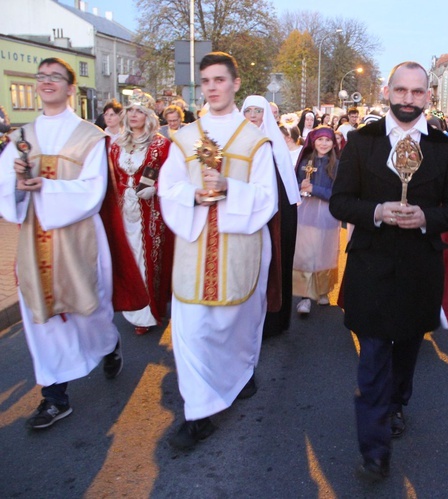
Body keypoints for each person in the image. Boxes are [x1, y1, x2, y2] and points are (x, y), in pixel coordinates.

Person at [329, 61, 448, 481]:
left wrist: (425, 217)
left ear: (428, 96)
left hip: (419, 267)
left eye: (417, 92)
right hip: (371, 263)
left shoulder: (444, 148)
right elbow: (340, 201)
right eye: (401, 91)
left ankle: (396, 403)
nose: (409, 99)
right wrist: (376, 210)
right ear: (388, 91)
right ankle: (374, 451)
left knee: (406, 348)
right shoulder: (361, 141)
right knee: (373, 353)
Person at [158, 52, 279, 450]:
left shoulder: (254, 140)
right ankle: (199, 413)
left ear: (236, 83)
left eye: (219, 80)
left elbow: (267, 198)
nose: (212, 87)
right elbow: (167, 188)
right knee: (191, 329)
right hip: (194, 244)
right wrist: (193, 194)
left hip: (239, 246)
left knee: (236, 327)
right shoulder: (185, 138)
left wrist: (230, 188)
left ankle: (241, 373)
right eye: (206, 80)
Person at [0, 57, 123, 429]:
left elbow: (93, 190)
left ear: (71, 88)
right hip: (34, 242)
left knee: (89, 313)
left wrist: (47, 186)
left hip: (78, 240)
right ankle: (54, 397)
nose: (46, 82)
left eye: (56, 77)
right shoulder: (21, 138)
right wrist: (19, 184)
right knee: (42, 319)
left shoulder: (89, 136)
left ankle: (109, 342)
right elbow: (6, 192)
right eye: (41, 77)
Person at [109, 92, 173, 335]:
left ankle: (148, 311)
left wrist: (156, 189)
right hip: (123, 210)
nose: (134, 115)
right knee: (127, 257)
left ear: (148, 116)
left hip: (150, 213)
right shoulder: (116, 144)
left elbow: (172, 178)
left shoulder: (160, 144)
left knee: (147, 258)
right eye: (131, 110)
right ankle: (131, 304)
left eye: (139, 111)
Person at [241, 95, 302, 336]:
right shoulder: (235, 142)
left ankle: (274, 322)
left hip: (278, 215)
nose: (253, 116)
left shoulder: (275, 143)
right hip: (245, 211)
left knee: (276, 262)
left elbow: (284, 183)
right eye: (248, 111)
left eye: (258, 111)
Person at [293, 126, 340, 314]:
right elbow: (294, 184)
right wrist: (300, 187)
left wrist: (314, 189)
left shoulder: (337, 164)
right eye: (320, 139)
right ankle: (305, 297)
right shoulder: (305, 161)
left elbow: (338, 192)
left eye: (327, 140)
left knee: (324, 252)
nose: (323, 143)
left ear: (333, 143)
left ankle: (322, 291)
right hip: (306, 212)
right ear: (313, 141)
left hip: (327, 213)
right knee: (306, 253)